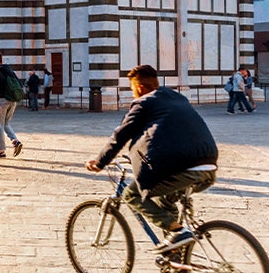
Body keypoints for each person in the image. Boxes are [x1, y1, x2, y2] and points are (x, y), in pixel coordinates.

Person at [86, 64, 218, 254]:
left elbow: (120, 136)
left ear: (139, 87)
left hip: (182, 168)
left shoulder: (143, 103)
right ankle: (176, 253)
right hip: (208, 166)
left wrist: (100, 163)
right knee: (166, 200)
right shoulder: (176, 97)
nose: (133, 93)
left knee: (131, 195)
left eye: (132, 89)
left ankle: (178, 231)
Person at [0, 51, 24, 158]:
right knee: (5, 123)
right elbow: (20, 84)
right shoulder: (10, 71)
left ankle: (1, 151)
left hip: (0, 101)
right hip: (12, 101)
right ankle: (15, 141)